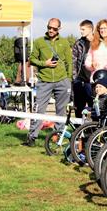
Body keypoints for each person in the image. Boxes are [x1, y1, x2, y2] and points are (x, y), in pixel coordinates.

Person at [23, 18, 72, 147]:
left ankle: (58, 137)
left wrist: (69, 80)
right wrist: (45, 63)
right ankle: (32, 137)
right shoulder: (39, 41)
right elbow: (32, 60)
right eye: (49, 27)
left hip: (62, 81)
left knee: (61, 111)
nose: (51, 30)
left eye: (54, 28)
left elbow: (69, 62)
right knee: (39, 109)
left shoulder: (64, 42)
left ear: (59, 29)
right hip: (44, 81)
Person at [72, 19, 94, 118]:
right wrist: (74, 78)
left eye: (83, 29)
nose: (81, 31)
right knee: (78, 109)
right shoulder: (79, 43)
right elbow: (73, 61)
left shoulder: (98, 43)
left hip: (92, 82)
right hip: (79, 81)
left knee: (94, 108)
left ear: (90, 29)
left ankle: (93, 131)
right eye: (81, 29)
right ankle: (79, 132)